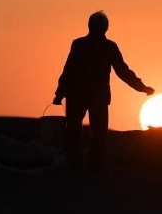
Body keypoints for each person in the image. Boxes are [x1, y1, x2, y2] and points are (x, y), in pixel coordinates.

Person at [53, 11, 154, 169]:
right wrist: (60, 92)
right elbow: (69, 70)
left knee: (91, 133)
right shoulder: (91, 46)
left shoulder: (97, 46)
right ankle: (80, 166)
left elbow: (121, 71)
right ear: (105, 28)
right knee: (79, 131)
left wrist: (141, 87)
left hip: (89, 96)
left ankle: (87, 167)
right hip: (85, 95)